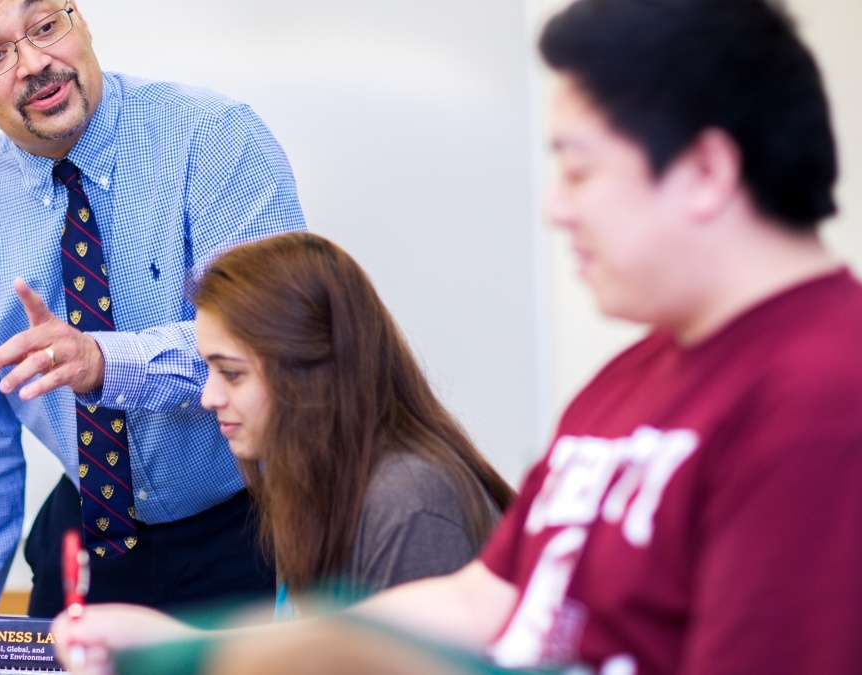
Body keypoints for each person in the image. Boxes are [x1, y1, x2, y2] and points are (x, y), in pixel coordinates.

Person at [58, 0, 862, 673]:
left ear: (707, 171)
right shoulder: (627, 383)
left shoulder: (822, 397)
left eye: (580, 169)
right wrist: (190, 645)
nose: (555, 207)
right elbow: (483, 600)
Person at [0, 0, 305, 664]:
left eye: (45, 26)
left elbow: (264, 344)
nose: (35, 63)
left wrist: (103, 359)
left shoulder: (214, 137)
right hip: (88, 539)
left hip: (246, 527)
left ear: (82, 23)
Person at [194, 233, 513, 612]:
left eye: (231, 373)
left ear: (311, 370)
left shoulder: (410, 504)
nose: (208, 397)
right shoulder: (310, 480)